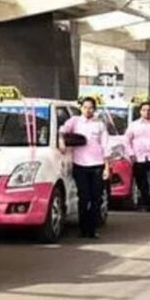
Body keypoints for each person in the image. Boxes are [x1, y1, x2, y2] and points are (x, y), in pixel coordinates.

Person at [60, 97, 110, 238]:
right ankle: (83, 228)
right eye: (85, 107)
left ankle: (92, 229)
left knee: (96, 198)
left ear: (94, 109)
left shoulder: (100, 125)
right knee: (84, 197)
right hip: (80, 165)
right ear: (81, 108)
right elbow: (62, 130)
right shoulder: (74, 121)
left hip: (97, 165)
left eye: (91, 107)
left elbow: (106, 146)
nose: (88, 110)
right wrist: (61, 141)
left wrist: (107, 168)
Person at [125, 100, 150, 210]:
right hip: (138, 158)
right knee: (141, 182)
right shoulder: (134, 125)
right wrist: (131, 153)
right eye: (144, 110)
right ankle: (145, 202)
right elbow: (127, 140)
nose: (146, 112)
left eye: (148, 110)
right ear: (140, 111)